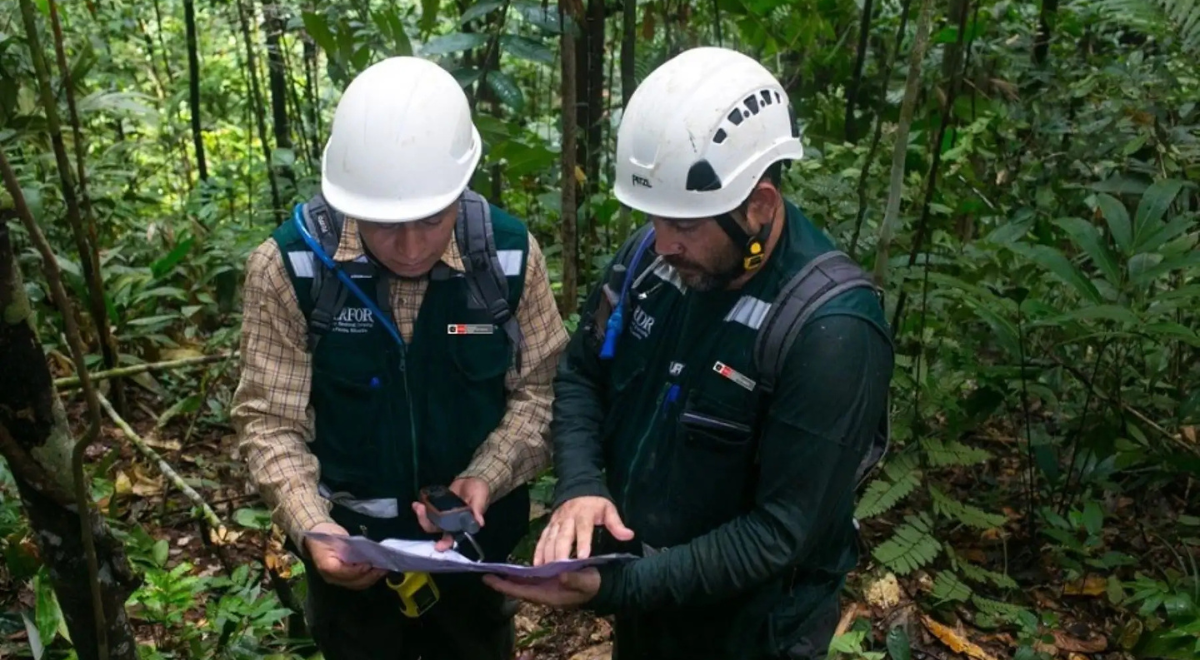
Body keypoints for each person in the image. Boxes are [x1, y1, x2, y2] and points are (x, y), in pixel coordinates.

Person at [482, 47, 895, 660]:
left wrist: (616, 586)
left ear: (760, 206)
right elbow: (582, 376)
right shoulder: (651, 262)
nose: (662, 242)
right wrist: (582, 486)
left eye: (686, 225)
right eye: (655, 217)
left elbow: (780, 532)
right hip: (649, 608)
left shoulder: (830, 331)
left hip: (754, 630)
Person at [230, 56, 568, 660]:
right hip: (352, 556)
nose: (410, 247)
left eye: (432, 221)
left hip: (474, 557)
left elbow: (543, 391)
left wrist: (487, 475)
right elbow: (270, 421)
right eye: (385, 225)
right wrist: (313, 526)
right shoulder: (291, 269)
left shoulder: (507, 257)